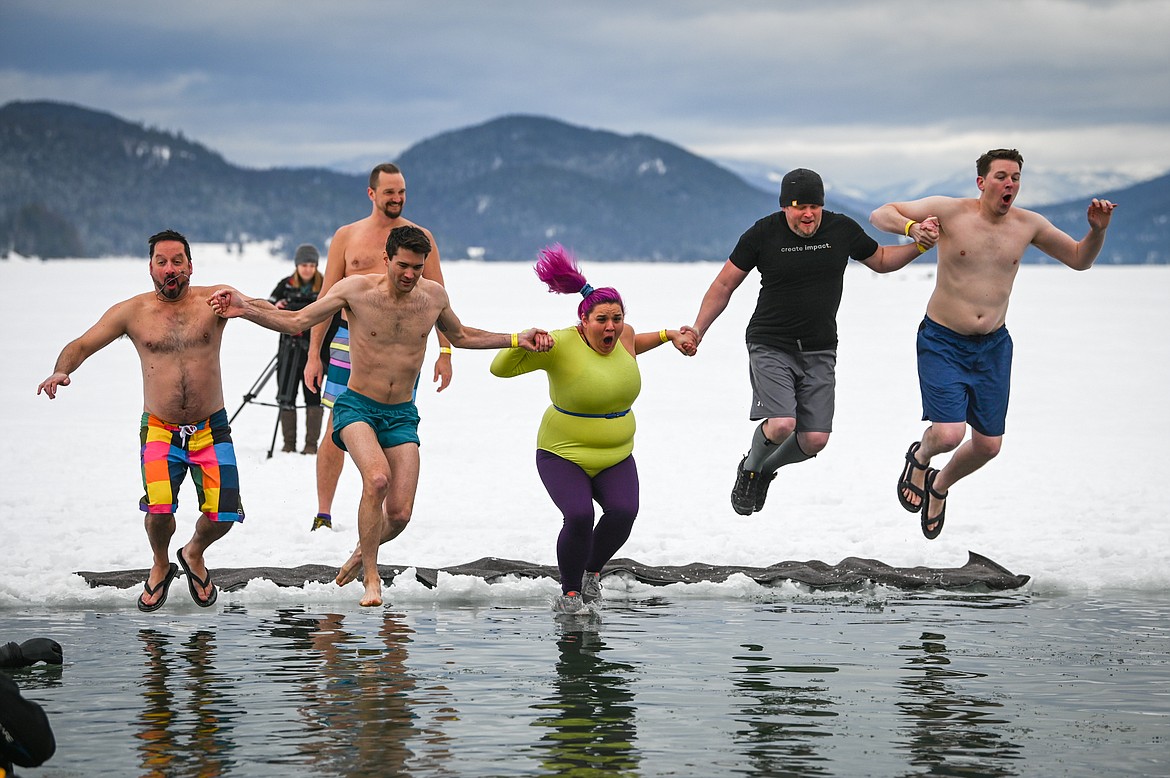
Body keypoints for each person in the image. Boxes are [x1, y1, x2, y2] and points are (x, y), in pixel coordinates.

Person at [209, 225, 552, 607]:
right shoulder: (355, 291)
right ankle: (372, 578)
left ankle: (361, 551)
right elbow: (297, 321)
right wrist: (245, 308)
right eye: (402, 265)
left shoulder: (433, 297)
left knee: (401, 513)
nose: (409, 275)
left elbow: (462, 336)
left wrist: (516, 338)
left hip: (402, 413)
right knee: (377, 479)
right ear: (386, 258)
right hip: (357, 406)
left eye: (417, 268)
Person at [870, 148, 1117, 539]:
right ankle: (919, 456)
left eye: (1016, 177)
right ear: (982, 182)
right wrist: (911, 229)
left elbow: (1078, 259)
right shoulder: (949, 212)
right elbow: (880, 213)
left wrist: (1097, 231)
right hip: (943, 340)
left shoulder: (1028, 225)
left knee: (988, 446)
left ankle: (939, 485)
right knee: (949, 434)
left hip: (993, 347)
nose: (1010, 184)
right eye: (1002, 176)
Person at [680, 168, 937, 517]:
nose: (808, 214)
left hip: (820, 348)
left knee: (815, 439)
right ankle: (750, 468)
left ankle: (766, 471)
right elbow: (724, 285)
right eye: (800, 207)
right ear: (785, 207)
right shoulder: (762, 233)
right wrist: (698, 328)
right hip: (770, 342)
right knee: (782, 423)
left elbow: (879, 260)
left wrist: (918, 246)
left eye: (815, 206)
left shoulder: (840, 229)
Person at [37, 229, 242, 611]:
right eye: (161, 262)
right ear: (150, 267)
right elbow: (82, 344)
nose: (170, 269)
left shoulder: (213, 301)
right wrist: (61, 370)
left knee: (224, 514)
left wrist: (281, 315)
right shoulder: (133, 312)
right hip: (161, 428)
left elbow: (255, 306)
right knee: (159, 509)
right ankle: (162, 563)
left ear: (190, 266)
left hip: (211, 428)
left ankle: (193, 553)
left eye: (177, 261)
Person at [490, 245, 691, 614]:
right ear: (583, 320)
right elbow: (499, 369)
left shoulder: (624, 336)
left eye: (616, 318)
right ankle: (569, 593)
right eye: (601, 319)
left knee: (623, 513)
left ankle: (590, 574)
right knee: (580, 516)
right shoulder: (560, 343)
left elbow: (634, 343)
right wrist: (522, 340)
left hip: (615, 453)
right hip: (562, 451)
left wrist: (667, 335)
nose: (610, 326)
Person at [303, 163, 452, 532]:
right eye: (389, 192)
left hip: (401, 348)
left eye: (401, 192)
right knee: (335, 427)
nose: (397, 198)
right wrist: (312, 355)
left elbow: (441, 301)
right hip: (346, 342)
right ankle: (324, 512)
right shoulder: (348, 236)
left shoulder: (419, 238)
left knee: (390, 429)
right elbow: (326, 298)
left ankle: (382, 515)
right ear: (372, 194)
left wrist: (445, 352)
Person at [269, 243, 326, 454]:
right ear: (297, 265)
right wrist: (278, 308)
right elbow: (269, 305)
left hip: (314, 350)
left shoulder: (324, 286)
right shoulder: (286, 285)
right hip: (288, 350)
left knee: (313, 395)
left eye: (312, 265)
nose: (308, 269)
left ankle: (311, 445)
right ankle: (288, 445)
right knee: (286, 394)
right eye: (304, 264)